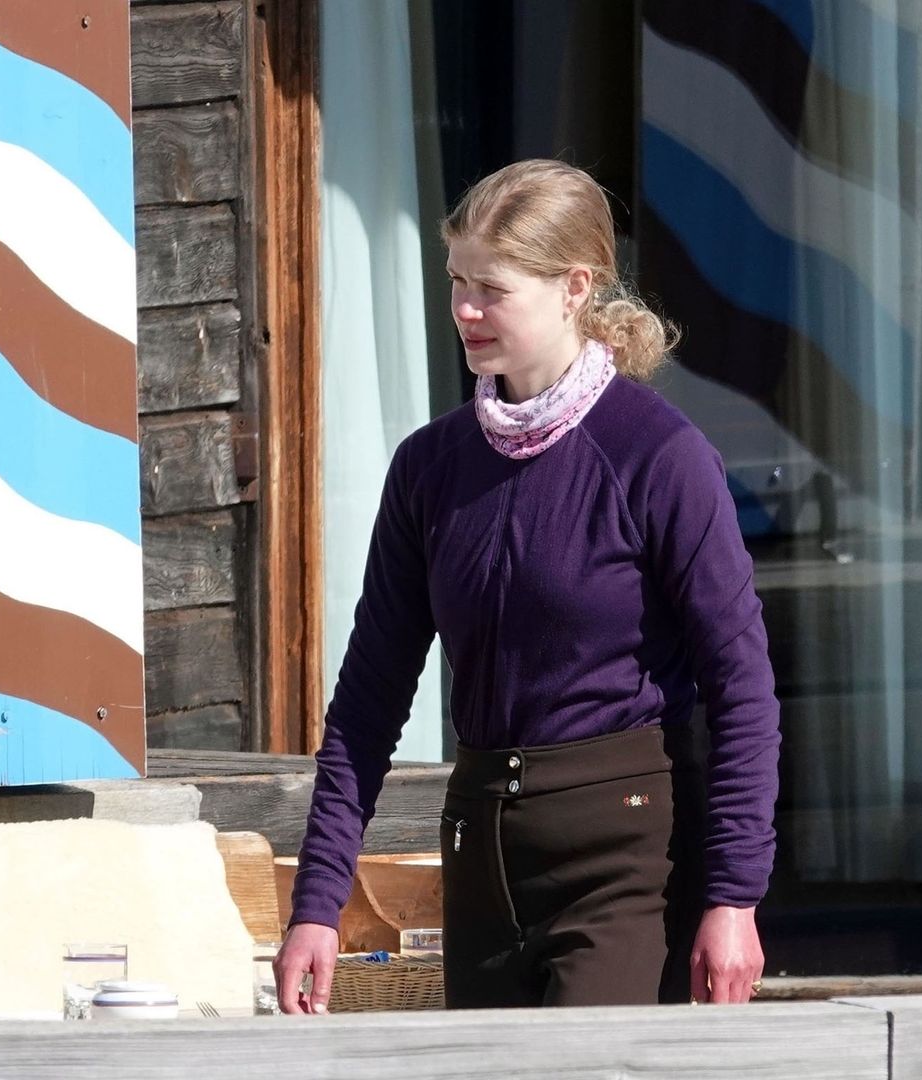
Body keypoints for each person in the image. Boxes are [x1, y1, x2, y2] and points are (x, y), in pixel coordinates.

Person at [274, 159, 781, 1011]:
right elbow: (368, 699)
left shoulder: (658, 456)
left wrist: (735, 897)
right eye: (456, 282)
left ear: (574, 287)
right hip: (481, 853)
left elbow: (743, 689)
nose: (466, 310)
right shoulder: (429, 468)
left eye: (493, 289)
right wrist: (318, 901)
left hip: (626, 857)